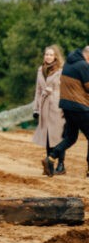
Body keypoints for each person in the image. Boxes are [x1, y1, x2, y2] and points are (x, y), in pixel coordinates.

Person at [45, 45, 89, 177]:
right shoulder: (83, 65)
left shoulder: (69, 64)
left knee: (70, 137)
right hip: (79, 107)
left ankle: (51, 158)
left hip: (67, 106)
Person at [33, 45, 66, 174]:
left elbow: (65, 89)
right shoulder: (40, 70)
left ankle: (61, 164)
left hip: (57, 106)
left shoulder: (61, 71)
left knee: (58, 136)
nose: (48, 57)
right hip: (44, 106)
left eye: (51, 55)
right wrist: (36, 109)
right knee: (47, 136)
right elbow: (38, 90)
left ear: (56, 57)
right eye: (46, 54)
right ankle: (49, 165)